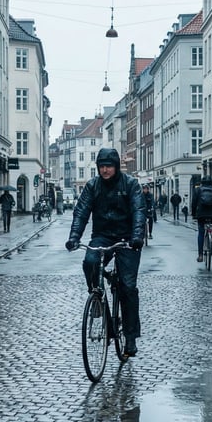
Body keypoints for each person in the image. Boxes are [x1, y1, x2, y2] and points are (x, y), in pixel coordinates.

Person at [65, 148, 147, 356]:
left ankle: (130, 338)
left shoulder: (130, 184)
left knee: (128, 287)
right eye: (101, 166)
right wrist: (74, 237)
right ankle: (97, 297)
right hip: (102, 236)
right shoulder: (93, 186)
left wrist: (137, 237)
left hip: (128, 239)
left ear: (116, 166)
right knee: (90, 261)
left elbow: (139, 211)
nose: (105, 170)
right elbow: (81, 212)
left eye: (109, 166)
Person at [191, 175, 212, 262]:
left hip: (202, 215)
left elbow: (194, 203)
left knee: (201, 233)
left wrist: (194, 214)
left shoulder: (198, 190)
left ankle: (200, 255)